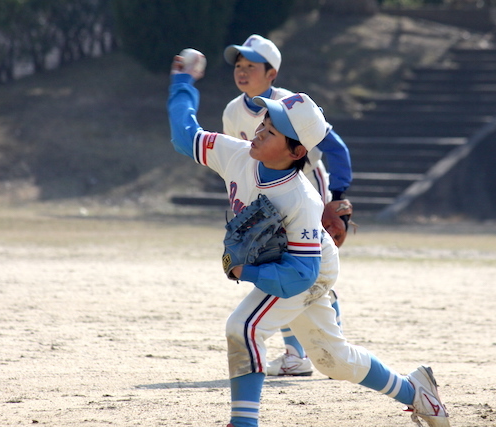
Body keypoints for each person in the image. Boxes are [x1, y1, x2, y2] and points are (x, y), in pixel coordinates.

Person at [167, 48, 451, 427]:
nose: (260, 129)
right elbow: (185, 135)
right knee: (334, 360)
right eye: (264, 121)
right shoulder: (236, 154)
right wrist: (182, 84)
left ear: (297, 150)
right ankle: (417, 393)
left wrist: (244, 272)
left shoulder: (301, 199)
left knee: (245, 327)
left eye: (272, 129)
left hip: (309, 267)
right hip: (294, 265)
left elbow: (300, 274)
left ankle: (243, 422)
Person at [222, 34, 354, 376]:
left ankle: (300, 350)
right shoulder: (233, 112)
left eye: (251, 65)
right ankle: (303, 347)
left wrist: (336, 198)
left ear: (272, 73)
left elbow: (336, 149)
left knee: (297, 272)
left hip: (307, 199)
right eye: (239, 65)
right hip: (265, 203)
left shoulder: (291, 107)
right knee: (274, 261)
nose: (242, 71)